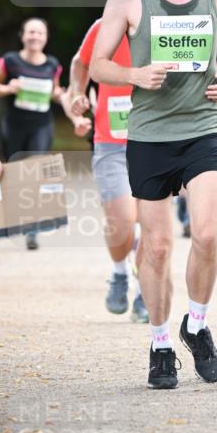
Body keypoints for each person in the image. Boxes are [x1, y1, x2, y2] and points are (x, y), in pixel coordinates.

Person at [90, 0, 217, 390]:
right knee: (156, 247)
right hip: (150, 134)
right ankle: (160, 343)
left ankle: (195, 326)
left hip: (203, 125)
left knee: (205, 234)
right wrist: (135, 73)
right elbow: (97, 65)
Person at [60, 18, 149, 323]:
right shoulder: (103, 27)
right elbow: (79, 62)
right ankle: (119, 272)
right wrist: (78, 93)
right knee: (122, 221)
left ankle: (143, 293)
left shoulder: (164, 25)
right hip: (111, 142)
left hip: (155, 140)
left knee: (150, 225)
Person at [0, 17, 64, 249]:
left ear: (46, 37)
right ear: (23, 36)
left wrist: (61, 95)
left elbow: (56, 90)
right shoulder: (10, 60)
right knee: (14, 170)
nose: (34, 37)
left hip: (41, 124)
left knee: (35, 170)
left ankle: (32, 229)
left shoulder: (52, 64)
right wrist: (9, 87)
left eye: (39, 33)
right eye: (31, 32)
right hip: (15, 124)